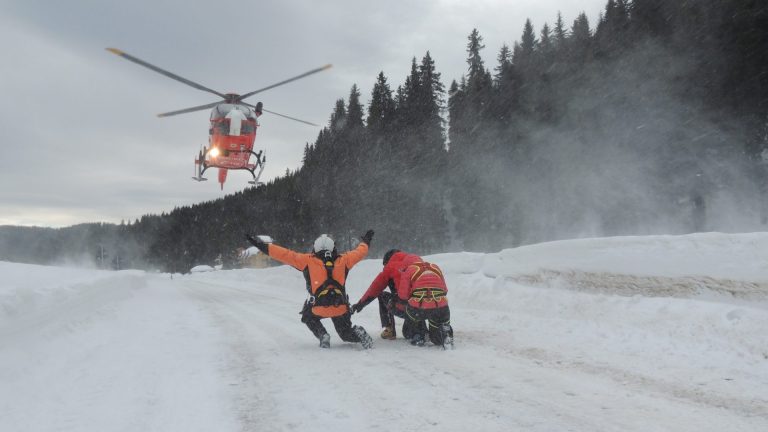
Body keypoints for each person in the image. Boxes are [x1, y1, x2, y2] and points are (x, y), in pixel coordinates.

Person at [246, 231, 375, 349]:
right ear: (333, 248)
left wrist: (261, 245)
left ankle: (322, 335)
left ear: (315, 248)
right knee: (345, 333)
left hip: (318, 307)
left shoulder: (306, 261)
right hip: (340, 307)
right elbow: (360, 252)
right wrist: (366, 241)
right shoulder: (345, 260)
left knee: (307, 316)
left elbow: (283, 254)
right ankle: (357, 333)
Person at [352, 249, 454, 348]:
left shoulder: (392, 267)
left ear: (387, 260)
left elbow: (375, 288)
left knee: (384, 297)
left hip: (413, 308)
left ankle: (395, 331)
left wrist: (361, 303)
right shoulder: (424, 265)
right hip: (438, 305)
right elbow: (444, 290)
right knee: (431, 327)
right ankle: (440, 333)